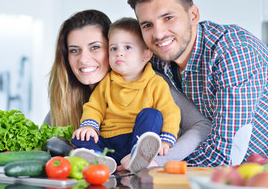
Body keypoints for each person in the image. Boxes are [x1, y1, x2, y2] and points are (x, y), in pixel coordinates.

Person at [124, 0, 268, 167]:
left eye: (168, 18)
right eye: (148, 25)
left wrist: (160, 166)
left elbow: (226, 153)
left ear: (193, 15)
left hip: (255, 173)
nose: (158, 34)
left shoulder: (233, 52)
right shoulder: (156, 59)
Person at [43, 9, 211, 169]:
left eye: (95, 47)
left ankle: (138, 152)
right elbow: (46, 149)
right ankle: (98, 159)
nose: (84, 59)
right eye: (74, 50)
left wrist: (161, 159)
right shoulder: (65, 102)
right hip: (107, 166)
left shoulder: (153, 82)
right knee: (78, 141)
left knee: (151, 115)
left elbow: (200, 125)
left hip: (147, 167)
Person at [71, 17, 181, 174]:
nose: (119, 54)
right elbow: (94, 107)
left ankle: (139, 155)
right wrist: (89, 126)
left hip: (137, 140)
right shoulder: (107, 82)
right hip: (109, 141)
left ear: (146, 55)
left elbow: (170, 111)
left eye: (127, 47)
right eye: (113, 49)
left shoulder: (156, 83)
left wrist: (166, 140)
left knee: (152, 114)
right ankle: (99, 159)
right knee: (78, 136)